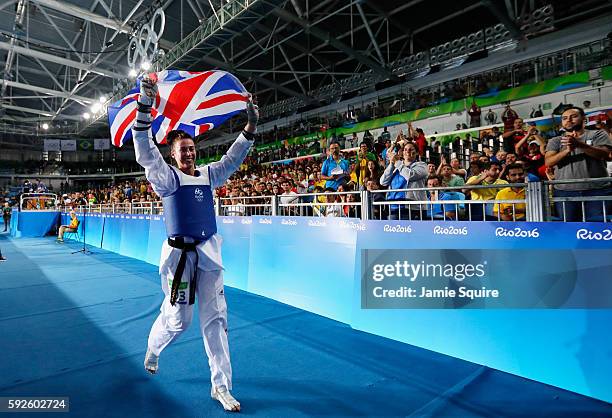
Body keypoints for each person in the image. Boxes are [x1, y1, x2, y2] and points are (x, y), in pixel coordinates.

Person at [133, 76, 258, 412]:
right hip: (180, 259)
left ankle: (221, 387)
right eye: (182, 150)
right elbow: (145, 150)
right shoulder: (166, 177)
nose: (188, 153)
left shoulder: (208, 175)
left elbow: (232, 160)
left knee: (216, 321)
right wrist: (145, 104)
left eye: (191, 149)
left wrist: (249, 127)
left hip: (209, 254)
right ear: (173, 156)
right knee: (179, 321)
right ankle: (154, 347)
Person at [544, 107, 612, 222]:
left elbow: (605, 155)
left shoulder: (597, 134)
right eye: (564, 118)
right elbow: (548, 162)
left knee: (597, 228)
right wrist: (566, 150)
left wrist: (580, 145)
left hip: (597, 190)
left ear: (584, 119)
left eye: (573, 116)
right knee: (568, 228)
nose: (568, 120)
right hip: (564, 192)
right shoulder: (555, 140)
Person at [380, 142, 428, 220]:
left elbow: (410, 176)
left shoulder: (422, 165)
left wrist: (397, 162)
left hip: (413, 208)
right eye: (405, 150)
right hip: (394, 207)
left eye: (410, 149)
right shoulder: (396, 166)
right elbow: (383, 182)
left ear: (416, 152)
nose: (407, 151)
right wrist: (392, 164)